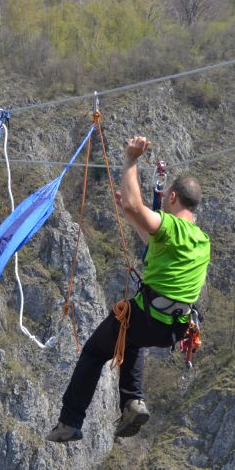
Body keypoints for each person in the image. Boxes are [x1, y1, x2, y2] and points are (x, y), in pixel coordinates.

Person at [46, 135, 211, 443]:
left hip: (148, 317)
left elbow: (138, 208)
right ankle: (133, 402)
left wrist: (131, 160)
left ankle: (69, 421)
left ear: (172, 197)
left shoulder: (172, 227)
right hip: (174, 328)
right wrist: (129, 212)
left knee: (94, 351)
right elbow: (151, 238)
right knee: (131, 341)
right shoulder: (201, 241)